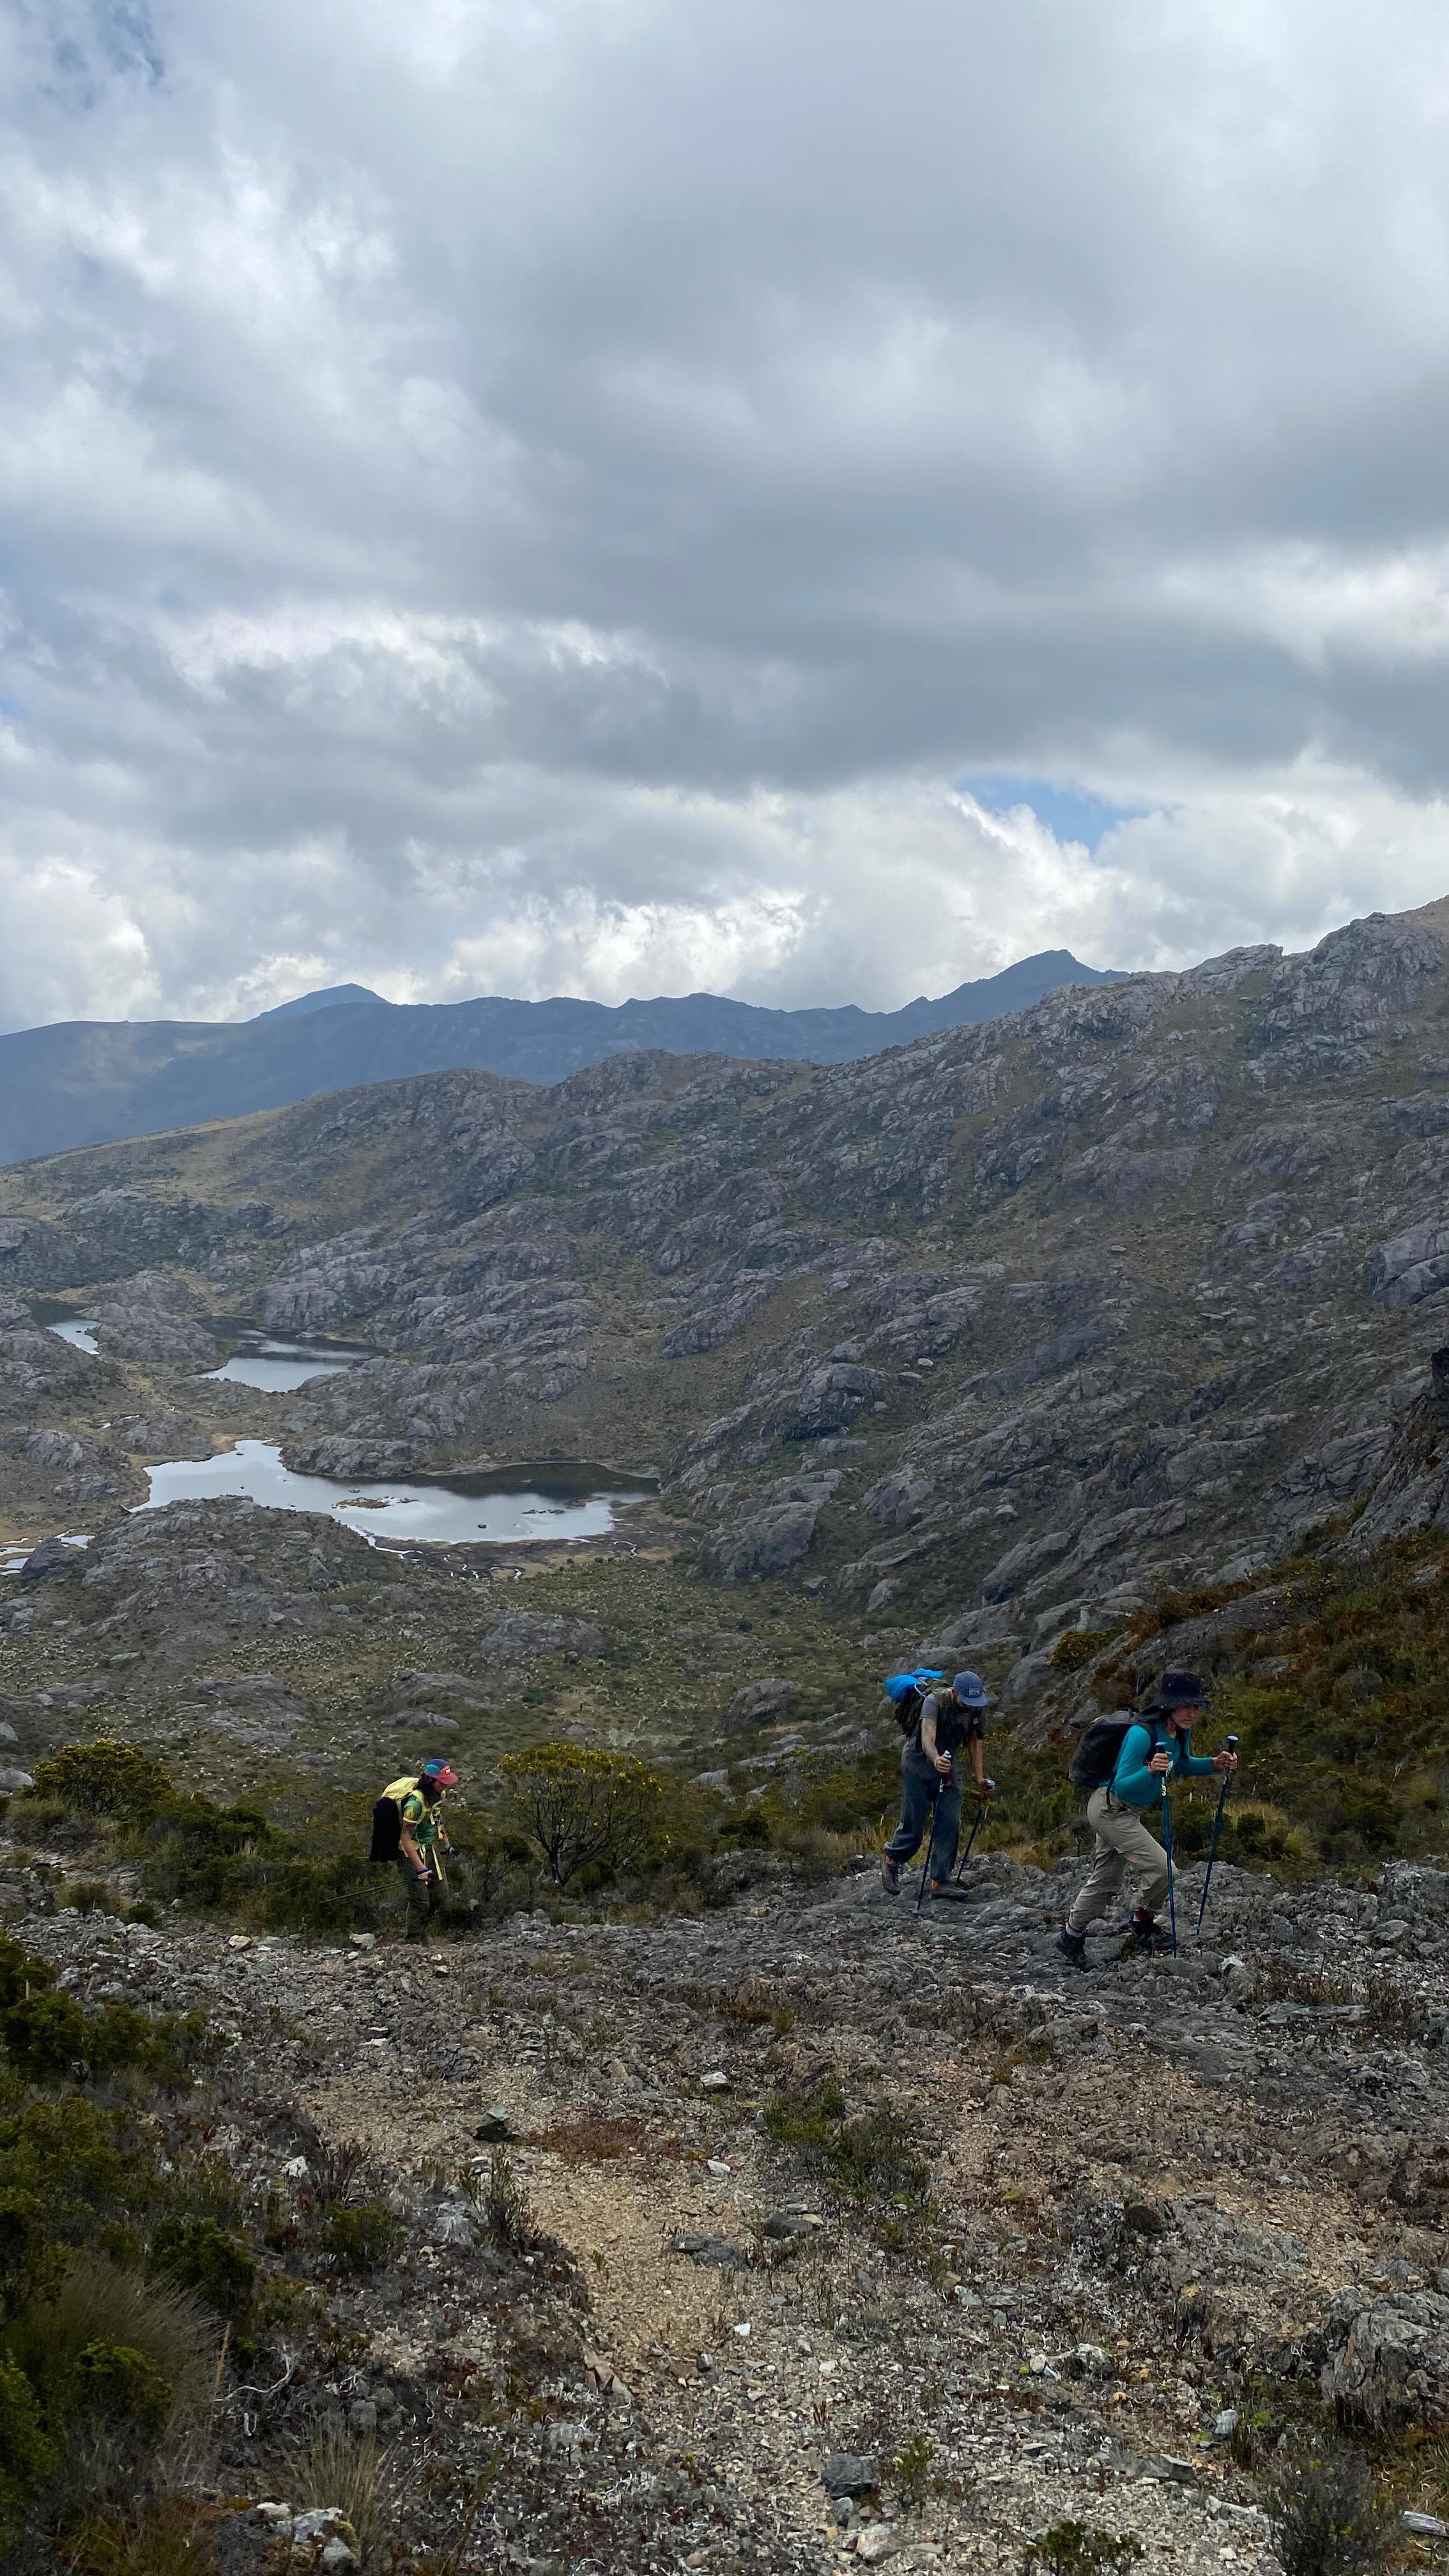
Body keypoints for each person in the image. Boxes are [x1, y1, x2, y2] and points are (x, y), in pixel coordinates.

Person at [1059, 1670, 1238, 1966]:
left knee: (1105, 1879)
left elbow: (1180, 1764)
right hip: (1112, 1809)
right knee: (1164, 1869)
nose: (1192, 1713)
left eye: (1196, 1707)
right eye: (1186, 1706)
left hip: (1124, 1811)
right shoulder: (1141, 1734)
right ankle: (1142, 1923)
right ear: (1168, 1705)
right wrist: (1150, 1771)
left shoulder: (1180, 1732)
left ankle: (1070, 1937)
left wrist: (1214, 1765)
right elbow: (1122, 1784)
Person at [880, 1671, 992, 1896]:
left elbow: (974, 1742)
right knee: (914, 1825)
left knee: (950, 1822)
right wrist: (935, 1759)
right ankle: (892, 1858)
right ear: (954, 1692)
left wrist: (980, 1777)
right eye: (965, 1701)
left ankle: (940, 1881)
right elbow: (927, 1739)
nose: (970, 1706)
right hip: (918, 1763)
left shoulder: (977, 1707)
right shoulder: (934, 1702)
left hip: (949, 1765)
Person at [395, 1757, 459, 1942]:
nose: (446, 1786)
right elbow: (405, 1837)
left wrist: (446, 1843)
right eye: (443, 1782)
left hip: (428, 1847)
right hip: (409, 1852)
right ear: (431, 1781)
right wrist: (420, 1868)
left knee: (440, 1894)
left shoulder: (438, 1796)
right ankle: (413, 1942)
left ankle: (421, 1933)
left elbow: (436, 1819)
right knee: (420, 1900)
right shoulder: (415, 1804)